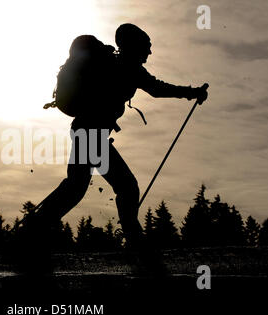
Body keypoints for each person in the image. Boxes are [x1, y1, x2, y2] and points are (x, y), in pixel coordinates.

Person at [19, 24, 208, 272]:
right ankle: (137, 244)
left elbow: (155, 87)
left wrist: (190, 92)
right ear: (134, 46)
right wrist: (192, 93)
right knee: (126, 187)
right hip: (92, 134)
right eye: (146, 48)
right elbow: (157, 88)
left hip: (84, 130)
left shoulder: (118, 65)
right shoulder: (126, 68)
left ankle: (32, 232)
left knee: (75, 187)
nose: (149, 53)